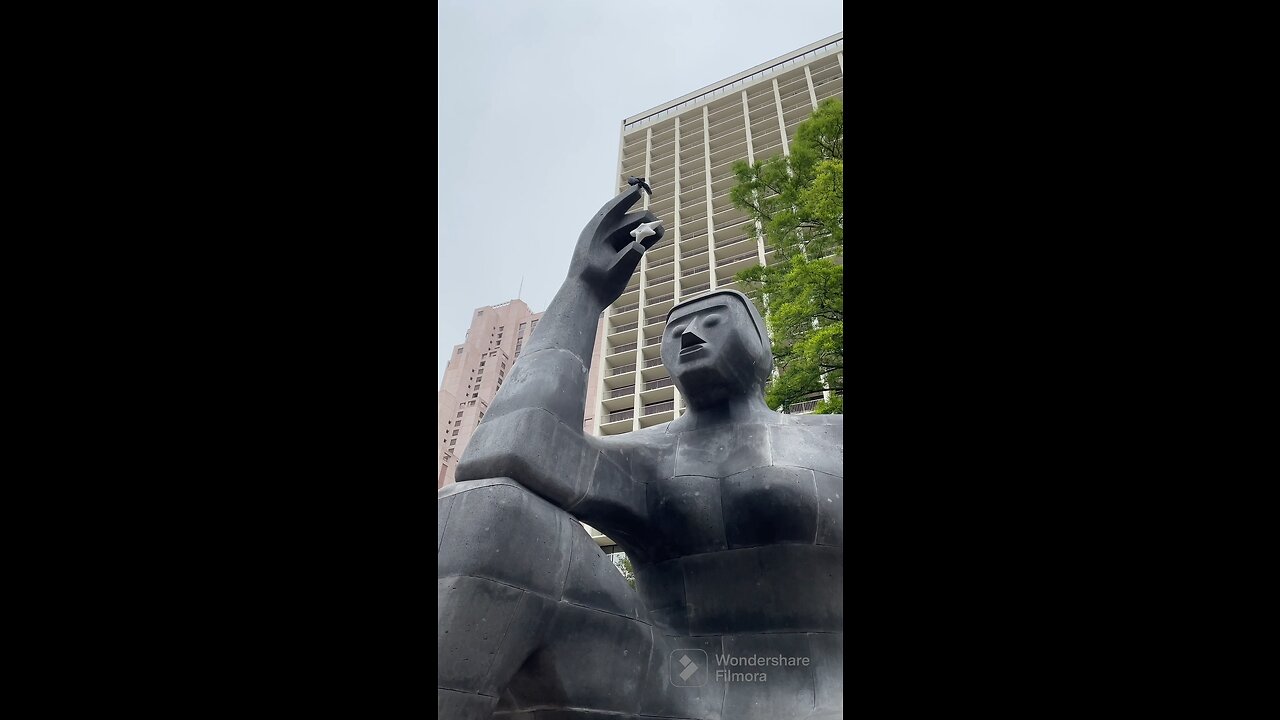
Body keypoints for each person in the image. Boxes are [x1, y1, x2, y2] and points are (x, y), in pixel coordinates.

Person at [438, 183, 842, 720]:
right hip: (669, 685)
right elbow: (505, 454)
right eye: (676, 329)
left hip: (826, 691)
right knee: (493, 511)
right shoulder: (646, 458)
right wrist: (583, 291)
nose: (691, 335)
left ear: (764, 349)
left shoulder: (831, 436)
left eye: (714, 320)